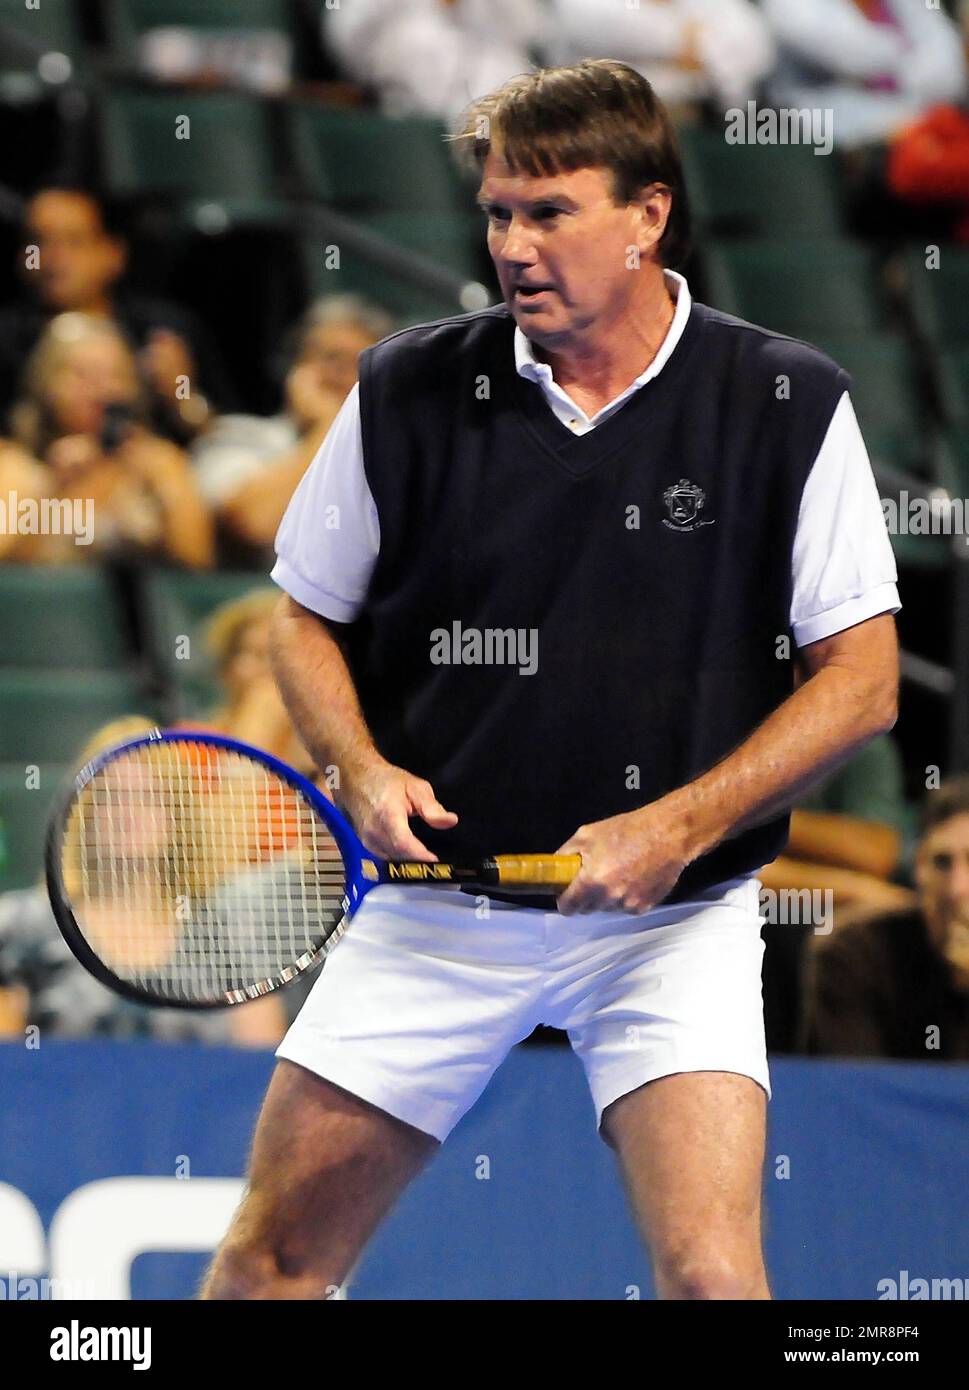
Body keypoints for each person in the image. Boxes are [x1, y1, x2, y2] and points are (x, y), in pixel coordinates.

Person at [200, 59, 900, 1301]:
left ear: (648, 215)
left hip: (669, 926)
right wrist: (357, 767)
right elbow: (302, 618)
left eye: (550, 211)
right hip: (436, 913)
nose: (514, 245)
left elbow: (863, 682)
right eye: (497, 211)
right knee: (270, 1266)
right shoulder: (407, 386)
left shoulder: (786, 400)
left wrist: (676, 826)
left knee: (712, 1281)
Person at [0, 718, 287, 1046]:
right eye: (111, 797)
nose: (127, 814)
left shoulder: (231, 936)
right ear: (83, 814)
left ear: (177, 817)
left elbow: (260, 1065)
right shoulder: (24, 928)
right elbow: (9, 1072)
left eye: (148, 797)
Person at [0, 185, 236, 443]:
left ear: (113, 253)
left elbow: (231, 442)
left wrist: (181, 396)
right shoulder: (7, 340)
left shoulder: (164, 330)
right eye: (37, 242)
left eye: (74, 241)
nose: (54, 258)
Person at [6, 312, 214, 568]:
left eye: (114, 375)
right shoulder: (15, 467)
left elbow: (197, 561)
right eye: (82, 375)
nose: (100, 390)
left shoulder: (159, 461)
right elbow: (8, 567)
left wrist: (162, 481)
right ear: (47, 383)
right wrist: (54, 490)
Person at [193, 297, 392, 560]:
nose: (347, 377)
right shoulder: (238, 435)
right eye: (335, 359)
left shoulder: (395, 459)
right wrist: (330, 429)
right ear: (297, 369)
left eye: (363, 367)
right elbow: (255, 523)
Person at [801, 776, 969, 1059]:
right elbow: (855, 1092)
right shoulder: (854, 952)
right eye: (942, 862)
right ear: (918, 868)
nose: (957, 888)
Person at [761, 0, 966, 150]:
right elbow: (850, 56)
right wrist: (907, 59)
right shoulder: (788, 6)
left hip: (918, 124)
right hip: (827, 137)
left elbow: (950, 66)